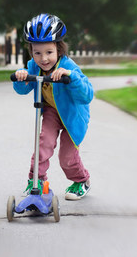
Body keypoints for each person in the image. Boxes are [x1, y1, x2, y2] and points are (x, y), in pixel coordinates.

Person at [13, 13, 94, 200]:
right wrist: (21, 78)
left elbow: (87, 94)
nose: (44, 59)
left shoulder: (68, 66)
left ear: (59, 48)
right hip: (51, 112)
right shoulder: (34, 66)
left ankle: (82, 180)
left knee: (67, 158)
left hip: (73, 116)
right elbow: (23, 90)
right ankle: (36, 181)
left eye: (49, 52)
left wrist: (70, 77)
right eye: (37, 52)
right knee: (44, 144)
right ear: (31, 51)